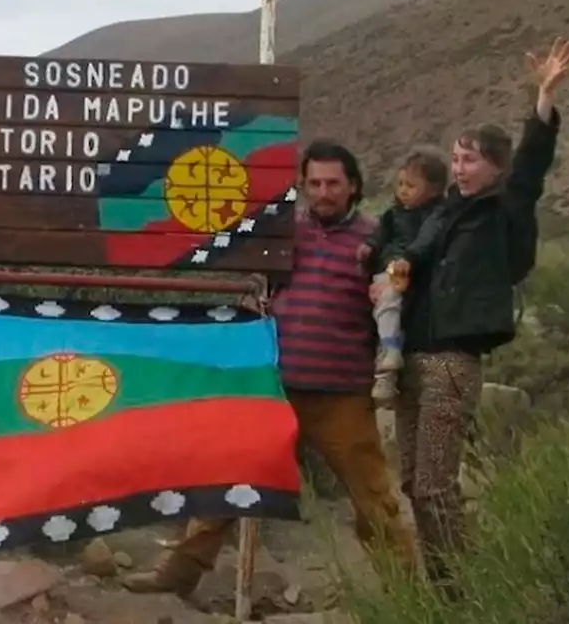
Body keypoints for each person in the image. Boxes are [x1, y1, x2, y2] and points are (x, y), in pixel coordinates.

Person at [124, 140, 416, 597]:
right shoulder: (282, 237)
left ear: (353, 185)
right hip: (274, 388)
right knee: (226, 482)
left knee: (374, 498)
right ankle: (177, 577)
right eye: (314, 183)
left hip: (342, 394)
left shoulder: (373, 240)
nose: (322, 192)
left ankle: (411, 595)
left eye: (332, 183)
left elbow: (394, 304)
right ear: (302, 185)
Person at [388, 37, 569, 594]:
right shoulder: (444, 211)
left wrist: (543, 98)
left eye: (470, 159)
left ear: (495, 167)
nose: (460, 167)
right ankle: (447, 585)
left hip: (453, 359)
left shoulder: (505, 206)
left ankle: (463, 589)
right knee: (413, 483)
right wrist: (393, 261)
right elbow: (410, 247)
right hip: (413, 356)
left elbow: (534, 161)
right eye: (456, 158)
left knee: (436, 485)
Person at [358, 148, 448, 407]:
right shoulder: (393, 215)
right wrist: (369, 248)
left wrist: (407, 262)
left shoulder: (435, 217)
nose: (403, 190)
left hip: (408, 272)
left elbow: (427, 243)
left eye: (411, 185)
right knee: (385, 307)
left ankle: (391, 352)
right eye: (400, 184)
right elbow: (379, 236)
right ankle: (386, 364)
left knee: (391, 302)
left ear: (432, 189)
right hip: (388, 269)